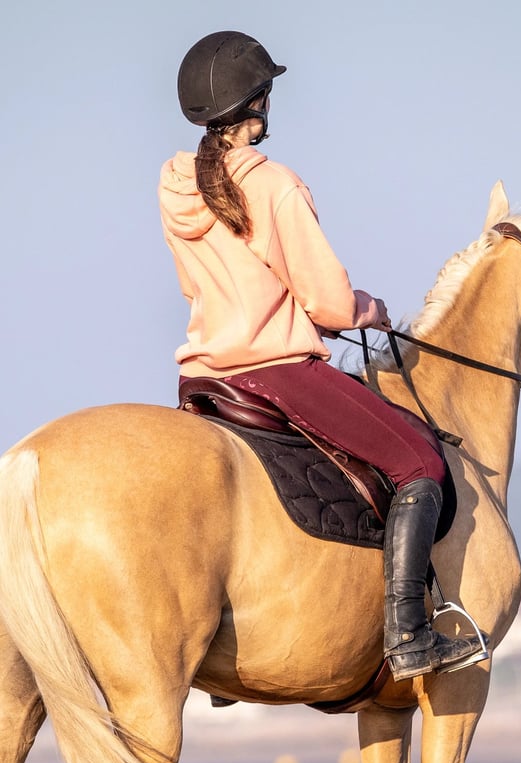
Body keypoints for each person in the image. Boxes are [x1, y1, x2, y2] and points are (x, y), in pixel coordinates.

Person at [159, 30, 486, 681]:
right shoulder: (274, 185)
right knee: (420, 461)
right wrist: (370, 311)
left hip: (202, 375)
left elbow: (195, 285)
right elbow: (328, 302)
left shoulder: (176, 188)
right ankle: (408, 634)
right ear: (260, 102)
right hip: (274, 369)